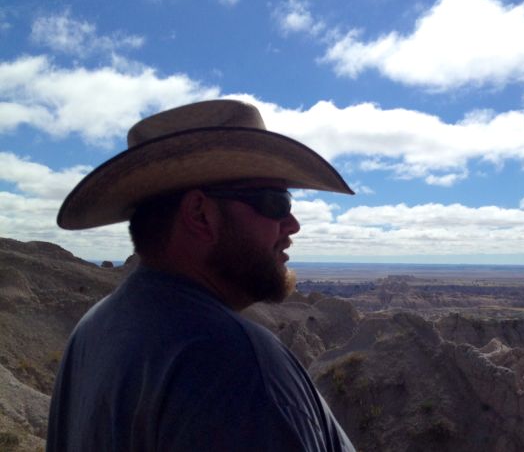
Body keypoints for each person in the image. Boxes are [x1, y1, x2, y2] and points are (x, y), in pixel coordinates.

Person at [46, 99, 356, 451]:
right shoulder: (234, 366)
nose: (292, 224)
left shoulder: (94, 329)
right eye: (275, 203)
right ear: (200, 214)